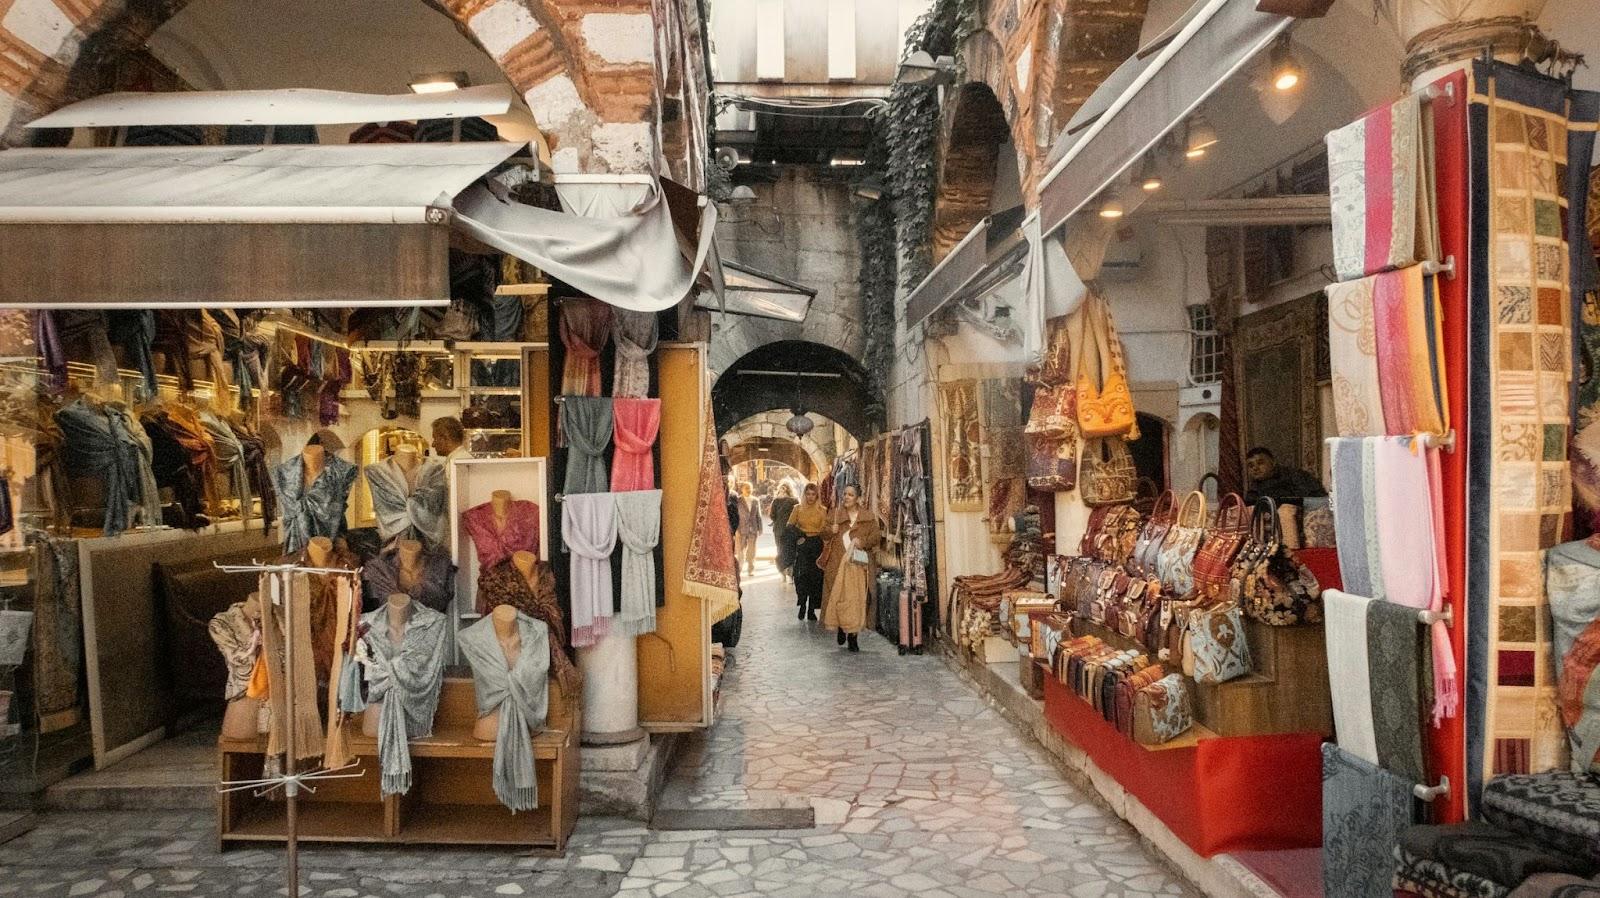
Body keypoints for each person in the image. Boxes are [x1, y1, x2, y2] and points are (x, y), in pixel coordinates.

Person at [820, 484, 881, 653]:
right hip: (837, 565)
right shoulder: (834, 514)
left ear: (858, 498)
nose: (846, 497)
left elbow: (876, 537)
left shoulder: (868, 517)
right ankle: (841, 626)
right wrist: (830, 531)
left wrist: (864, 542)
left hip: (858, 566)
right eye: (845, 494)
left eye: (851, 495)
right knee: (839, 597)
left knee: (856, 600)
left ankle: (853, 637)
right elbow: (822, 533)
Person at [790, 483, 828, 621]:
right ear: (804, 494)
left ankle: (811, 609)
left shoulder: (822, 510)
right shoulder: (798, 509)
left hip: (816, 545)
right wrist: (799, 537)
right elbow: (790, 526)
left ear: (817, 495)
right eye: (808, 494)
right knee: (801, 577)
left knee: (815, 579)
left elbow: (824, 529)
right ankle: (802, 605)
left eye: (813, 494)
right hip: (803, 544)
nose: (811, 497)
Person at [1244, 446, 1328, 507]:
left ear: (1273, 463)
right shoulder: (1254, 489)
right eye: (1251, 466)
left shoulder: (1294, 475)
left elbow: (1317, 499)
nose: (1255, 468)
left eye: (1260, 463)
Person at [769, 483, 797, 582]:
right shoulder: (794, 501)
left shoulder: (776, 501)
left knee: (781, 551)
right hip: (789, 530)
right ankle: (788, 574)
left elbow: (772, 515)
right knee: (790, 551)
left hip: (780, 530)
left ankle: (784, 574)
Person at [734, 481, 762, 577]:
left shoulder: (755, 500)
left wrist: (760, 529)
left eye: (750, 488)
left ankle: (751, 569)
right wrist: (736, 530)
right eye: (746, 488)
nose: (749, 490)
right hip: (741, 529)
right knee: (740, 551)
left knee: (752, 551)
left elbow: (759, 515)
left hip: (753, 529)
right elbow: (735, 516)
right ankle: (739, 569)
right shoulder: (737, 500)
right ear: (742, 489)